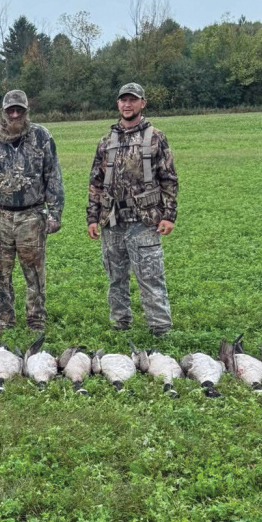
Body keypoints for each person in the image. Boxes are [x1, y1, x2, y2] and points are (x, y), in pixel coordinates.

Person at [0, 90, 64, 333]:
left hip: (31, 215)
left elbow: (53, 177)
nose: (14, 114)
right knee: (0, 273)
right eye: (10, 110)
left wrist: (55, 213)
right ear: (3, 111)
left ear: (26, 111)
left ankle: (36, 320)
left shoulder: (42, 137)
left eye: (19, 110)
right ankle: (5, 320)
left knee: (34, 272)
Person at [87, 82, 178, 336]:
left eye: (133, 100)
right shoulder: (106, 141)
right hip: (112, 220)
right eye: (123, 100)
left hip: (145, 220)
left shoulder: (156, 137)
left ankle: (160, 330)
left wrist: (169, 215)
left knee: (150, 277)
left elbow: (169, 179)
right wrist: (92, 217)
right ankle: (120, 327)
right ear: (118, 104)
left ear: (142, 103)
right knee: (116, 278)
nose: (127, 104)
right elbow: (95, 182)